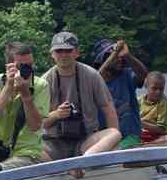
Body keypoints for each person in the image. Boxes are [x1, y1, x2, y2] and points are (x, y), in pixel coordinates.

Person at [41, 32, 122, 169]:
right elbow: (38, 123)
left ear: (77, 52)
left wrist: (114, 146)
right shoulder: (44, 81)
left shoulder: (91, 75)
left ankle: (83, 162)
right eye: (59, 50)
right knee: (30, 150)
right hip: (54, 143)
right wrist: (56, 114)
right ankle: (65, 168)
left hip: (85, 141)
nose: (63, 55)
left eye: (68, 50)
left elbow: (108, 109)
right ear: (52, 54)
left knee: (115, 134)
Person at [0, 41, 50, 170]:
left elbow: (35, 126)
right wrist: (8, 86)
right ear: (9, 66)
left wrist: (26, 95)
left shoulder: (41, 85)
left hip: (26, 153)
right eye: (22, 66)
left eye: (30, 65)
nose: (27, 70)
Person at [93, 38, 148, 149]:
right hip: (104, 138)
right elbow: (97, 78)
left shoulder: (127, 75)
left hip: (129, 136)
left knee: (121, 147)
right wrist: (114, 53)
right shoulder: (93, 79)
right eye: (114, 56)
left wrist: (127, 56)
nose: (119, 59)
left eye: (120, 56)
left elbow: (144, 75)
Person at [139, 71, 167, 144]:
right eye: (154, 88)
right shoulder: (138, 101)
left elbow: (161, 130)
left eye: (161, 89)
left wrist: (139, 123)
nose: (158, 92)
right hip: (140, 135)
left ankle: (148, 145)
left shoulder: (165, 104)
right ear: (146, 86)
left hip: (158, 136)